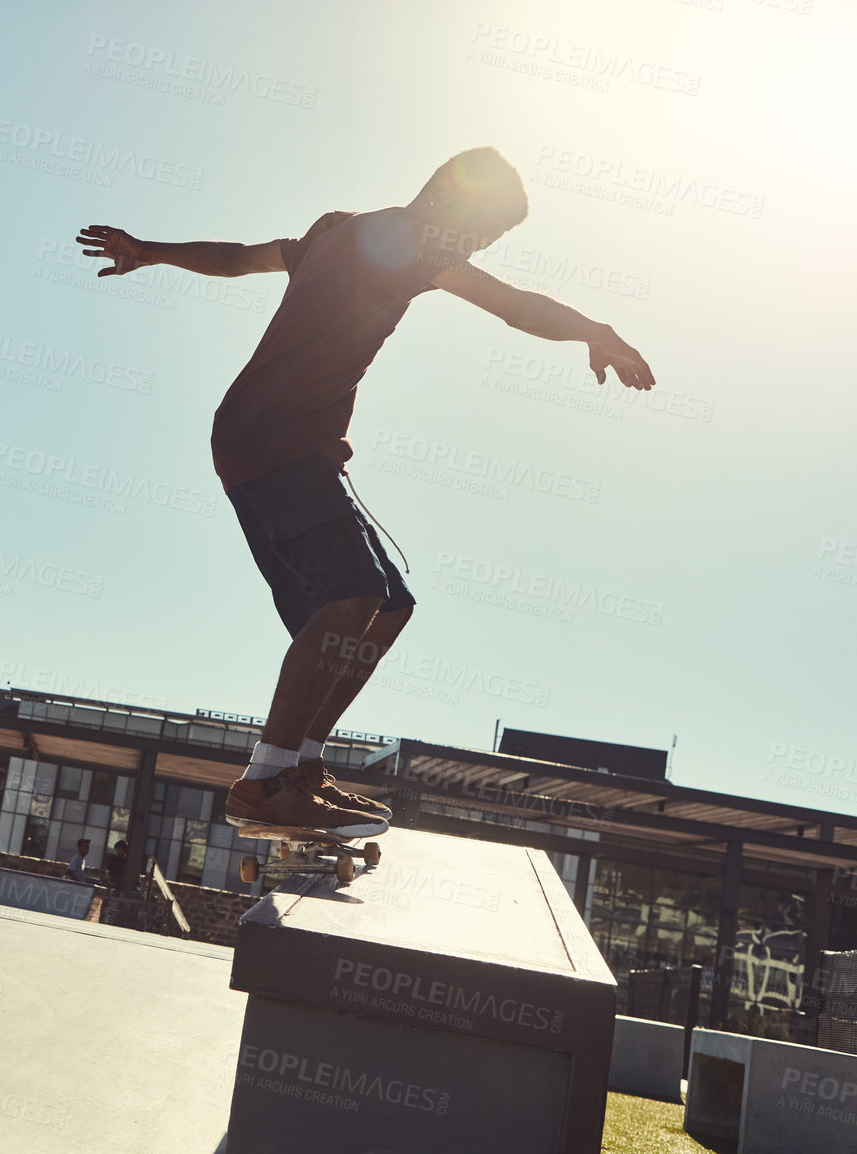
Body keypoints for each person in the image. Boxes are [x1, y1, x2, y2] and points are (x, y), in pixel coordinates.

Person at [77, 148, 653, 840]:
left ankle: (301, 768)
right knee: (348, 600)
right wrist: (595, 329)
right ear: (452, 203)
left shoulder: (333, 229)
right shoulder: (413, 242)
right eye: (483, 231)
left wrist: (153, 251)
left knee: (389, 606)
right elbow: (514, 307)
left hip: (291, 444)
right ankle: (264, 781)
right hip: (271, 437)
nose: (477, 248)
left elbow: (237, 259)